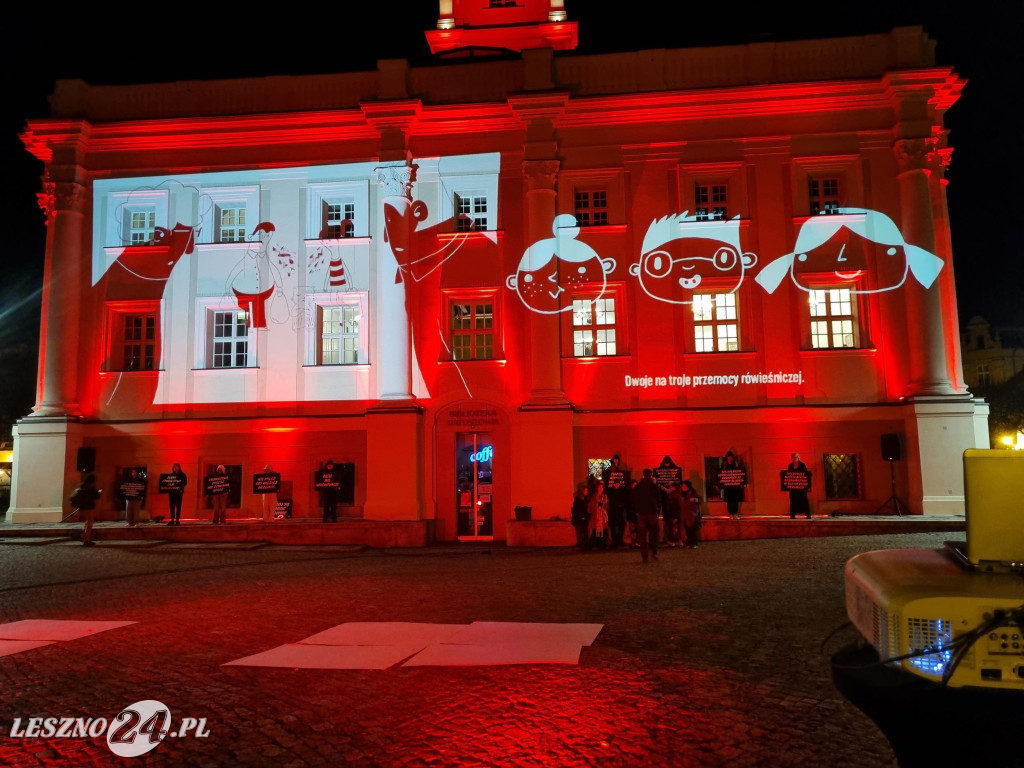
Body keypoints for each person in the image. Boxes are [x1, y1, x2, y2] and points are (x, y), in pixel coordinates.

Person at [631, 468, 663, 563]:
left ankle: (644, 556)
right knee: (654, 533)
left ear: (643, 475)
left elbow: (634, 499)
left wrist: (637, 509)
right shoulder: (654, 486)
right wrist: (658, 510)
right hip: (652, 512)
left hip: (641, 513)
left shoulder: (638, 486)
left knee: (642, 535)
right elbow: (659, 499)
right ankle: (654, 552)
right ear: (651, 475)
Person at [602, 454, 628, 549]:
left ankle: (619, 539)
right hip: (613, 509)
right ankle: (614, 540)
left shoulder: (622, 491)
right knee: (613, 525)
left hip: (620, 509)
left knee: (621, 524)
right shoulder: (610, 491)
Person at [71, 473, 101, 546]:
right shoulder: (91, 488)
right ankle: (86, 540)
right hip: (89, 508)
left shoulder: (81, 486)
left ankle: (84, 537)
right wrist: (99, 492)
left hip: (81, 509)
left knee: (85, 524)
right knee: (89, 525)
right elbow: (97, 496)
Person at [785, 453, 812, 519]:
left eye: (796, 457)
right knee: (793, 501)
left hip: (801, 488)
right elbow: (788, 475)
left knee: (804, 500)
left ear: (799, 458)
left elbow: (805, 474)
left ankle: (808, 515)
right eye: (793, 457)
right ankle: (793, 515)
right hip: (793, 488)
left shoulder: (802, 465)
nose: (795, 459)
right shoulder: (790, 465)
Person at [720, 451, 746, 520]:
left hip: (735, 487)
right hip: (728, 488)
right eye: (729, 458)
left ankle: (735, 513)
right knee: (729, 501)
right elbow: (721, 475)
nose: (730, 459)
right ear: (727, 459)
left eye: (731, 458)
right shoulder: (724, 466)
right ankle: (731, 513)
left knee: (735, 500)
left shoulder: (736, 465)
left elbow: (741, 474)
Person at [680, 480, 704, 548]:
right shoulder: (682, 493)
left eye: (684, 486)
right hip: (685, 515)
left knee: (693, 530)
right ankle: (688, 542)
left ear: (687, 486)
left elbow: (701, 500)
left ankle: (694, 543)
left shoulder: (693, 492)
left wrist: (695, 499)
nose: (682, 487)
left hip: (692, 515)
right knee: (687, 530)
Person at [586, 480, 609, 551]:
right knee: (595, 531)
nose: (600, 489)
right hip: (596, 517)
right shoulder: (594, 497)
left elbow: (607, 506)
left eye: (602, 487)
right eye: (599, 487)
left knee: (604, 531)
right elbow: (591, 507)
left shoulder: (605, 496)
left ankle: (603, 545)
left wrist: (603, 506)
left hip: (603, 517)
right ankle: (592, 545)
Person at [571, 482, 590, 550]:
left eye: (587, 490)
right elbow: (576, 510)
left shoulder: (585, 499)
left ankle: (584, 545)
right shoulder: (578, 500)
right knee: (581, 533)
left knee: (584, 533)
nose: (586, 492)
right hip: (579, 519)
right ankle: (582, 545)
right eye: (585, 490)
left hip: (583, 519)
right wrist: (581, 516)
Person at [664, 481, 683, 547]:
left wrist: (675, 515)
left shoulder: (675, 494)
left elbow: (677, 506)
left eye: (671, 486)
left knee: (675, 528)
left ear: (674, 487)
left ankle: (676, 541)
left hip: (674, 514)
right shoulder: (675, 493)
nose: (670, 487)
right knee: (674, 528)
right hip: (673, 514)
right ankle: (676, 541)